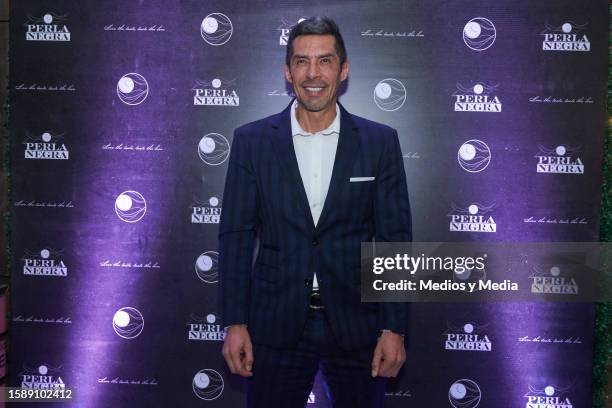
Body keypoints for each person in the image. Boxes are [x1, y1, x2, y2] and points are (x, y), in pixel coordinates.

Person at [219, 16, 412, 408]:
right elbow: (236, 235)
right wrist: (234, 322)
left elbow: (394, 241)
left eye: (325, 61)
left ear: (343, 70)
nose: (313, 73)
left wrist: (395, 327)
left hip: (358, 325)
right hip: (275, 325)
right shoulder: (251, 142)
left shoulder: (380, 142)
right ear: (288, 72)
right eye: (302, 61)